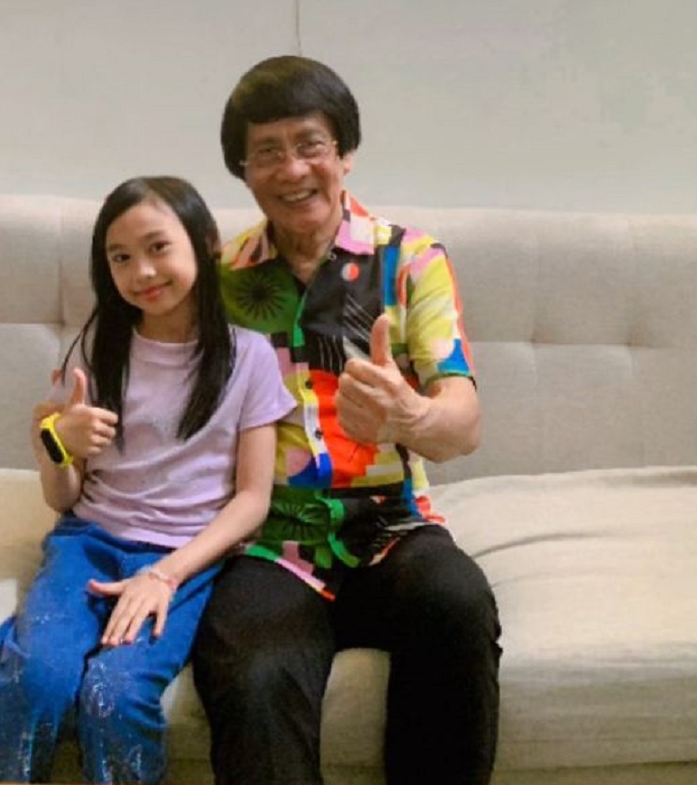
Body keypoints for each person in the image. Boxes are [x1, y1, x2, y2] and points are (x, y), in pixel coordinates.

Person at [191, 56, 502, 785]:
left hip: (393, 525)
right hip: (273, 541)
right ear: (244, 171)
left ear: (345, 152)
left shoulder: (410, 259)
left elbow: (463, 423)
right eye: (267, 151)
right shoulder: (222, 280)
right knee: (252, 671)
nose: (293, 168)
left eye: (310, 144)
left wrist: (409, 414)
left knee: (457, 604)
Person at [0, 176, 295, 784]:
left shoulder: (250, 357)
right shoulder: (98, 348)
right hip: (87, 543)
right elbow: (62, 498)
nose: (141, 271)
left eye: (157, 247)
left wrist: (165, 575)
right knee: (33, 679)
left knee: (113, 695)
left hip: (184, 559)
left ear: (206, 242)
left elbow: (253, 500)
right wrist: (58, 444)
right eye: (120, 258)